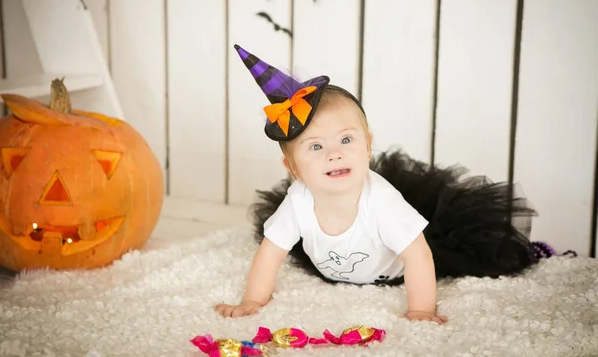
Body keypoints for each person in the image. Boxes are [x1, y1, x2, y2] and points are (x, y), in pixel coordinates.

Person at [214, 44, 537, 324]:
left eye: (346, 139)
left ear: (367, 146)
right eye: (315, 146)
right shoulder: (299, 199)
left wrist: (421, 310)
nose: (335, 154)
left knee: (442, 247)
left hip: (391, 275)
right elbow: (270, 253)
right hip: (335, 271)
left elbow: (418, 256)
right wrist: (252, 303)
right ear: (293, 168)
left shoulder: (381, 200)